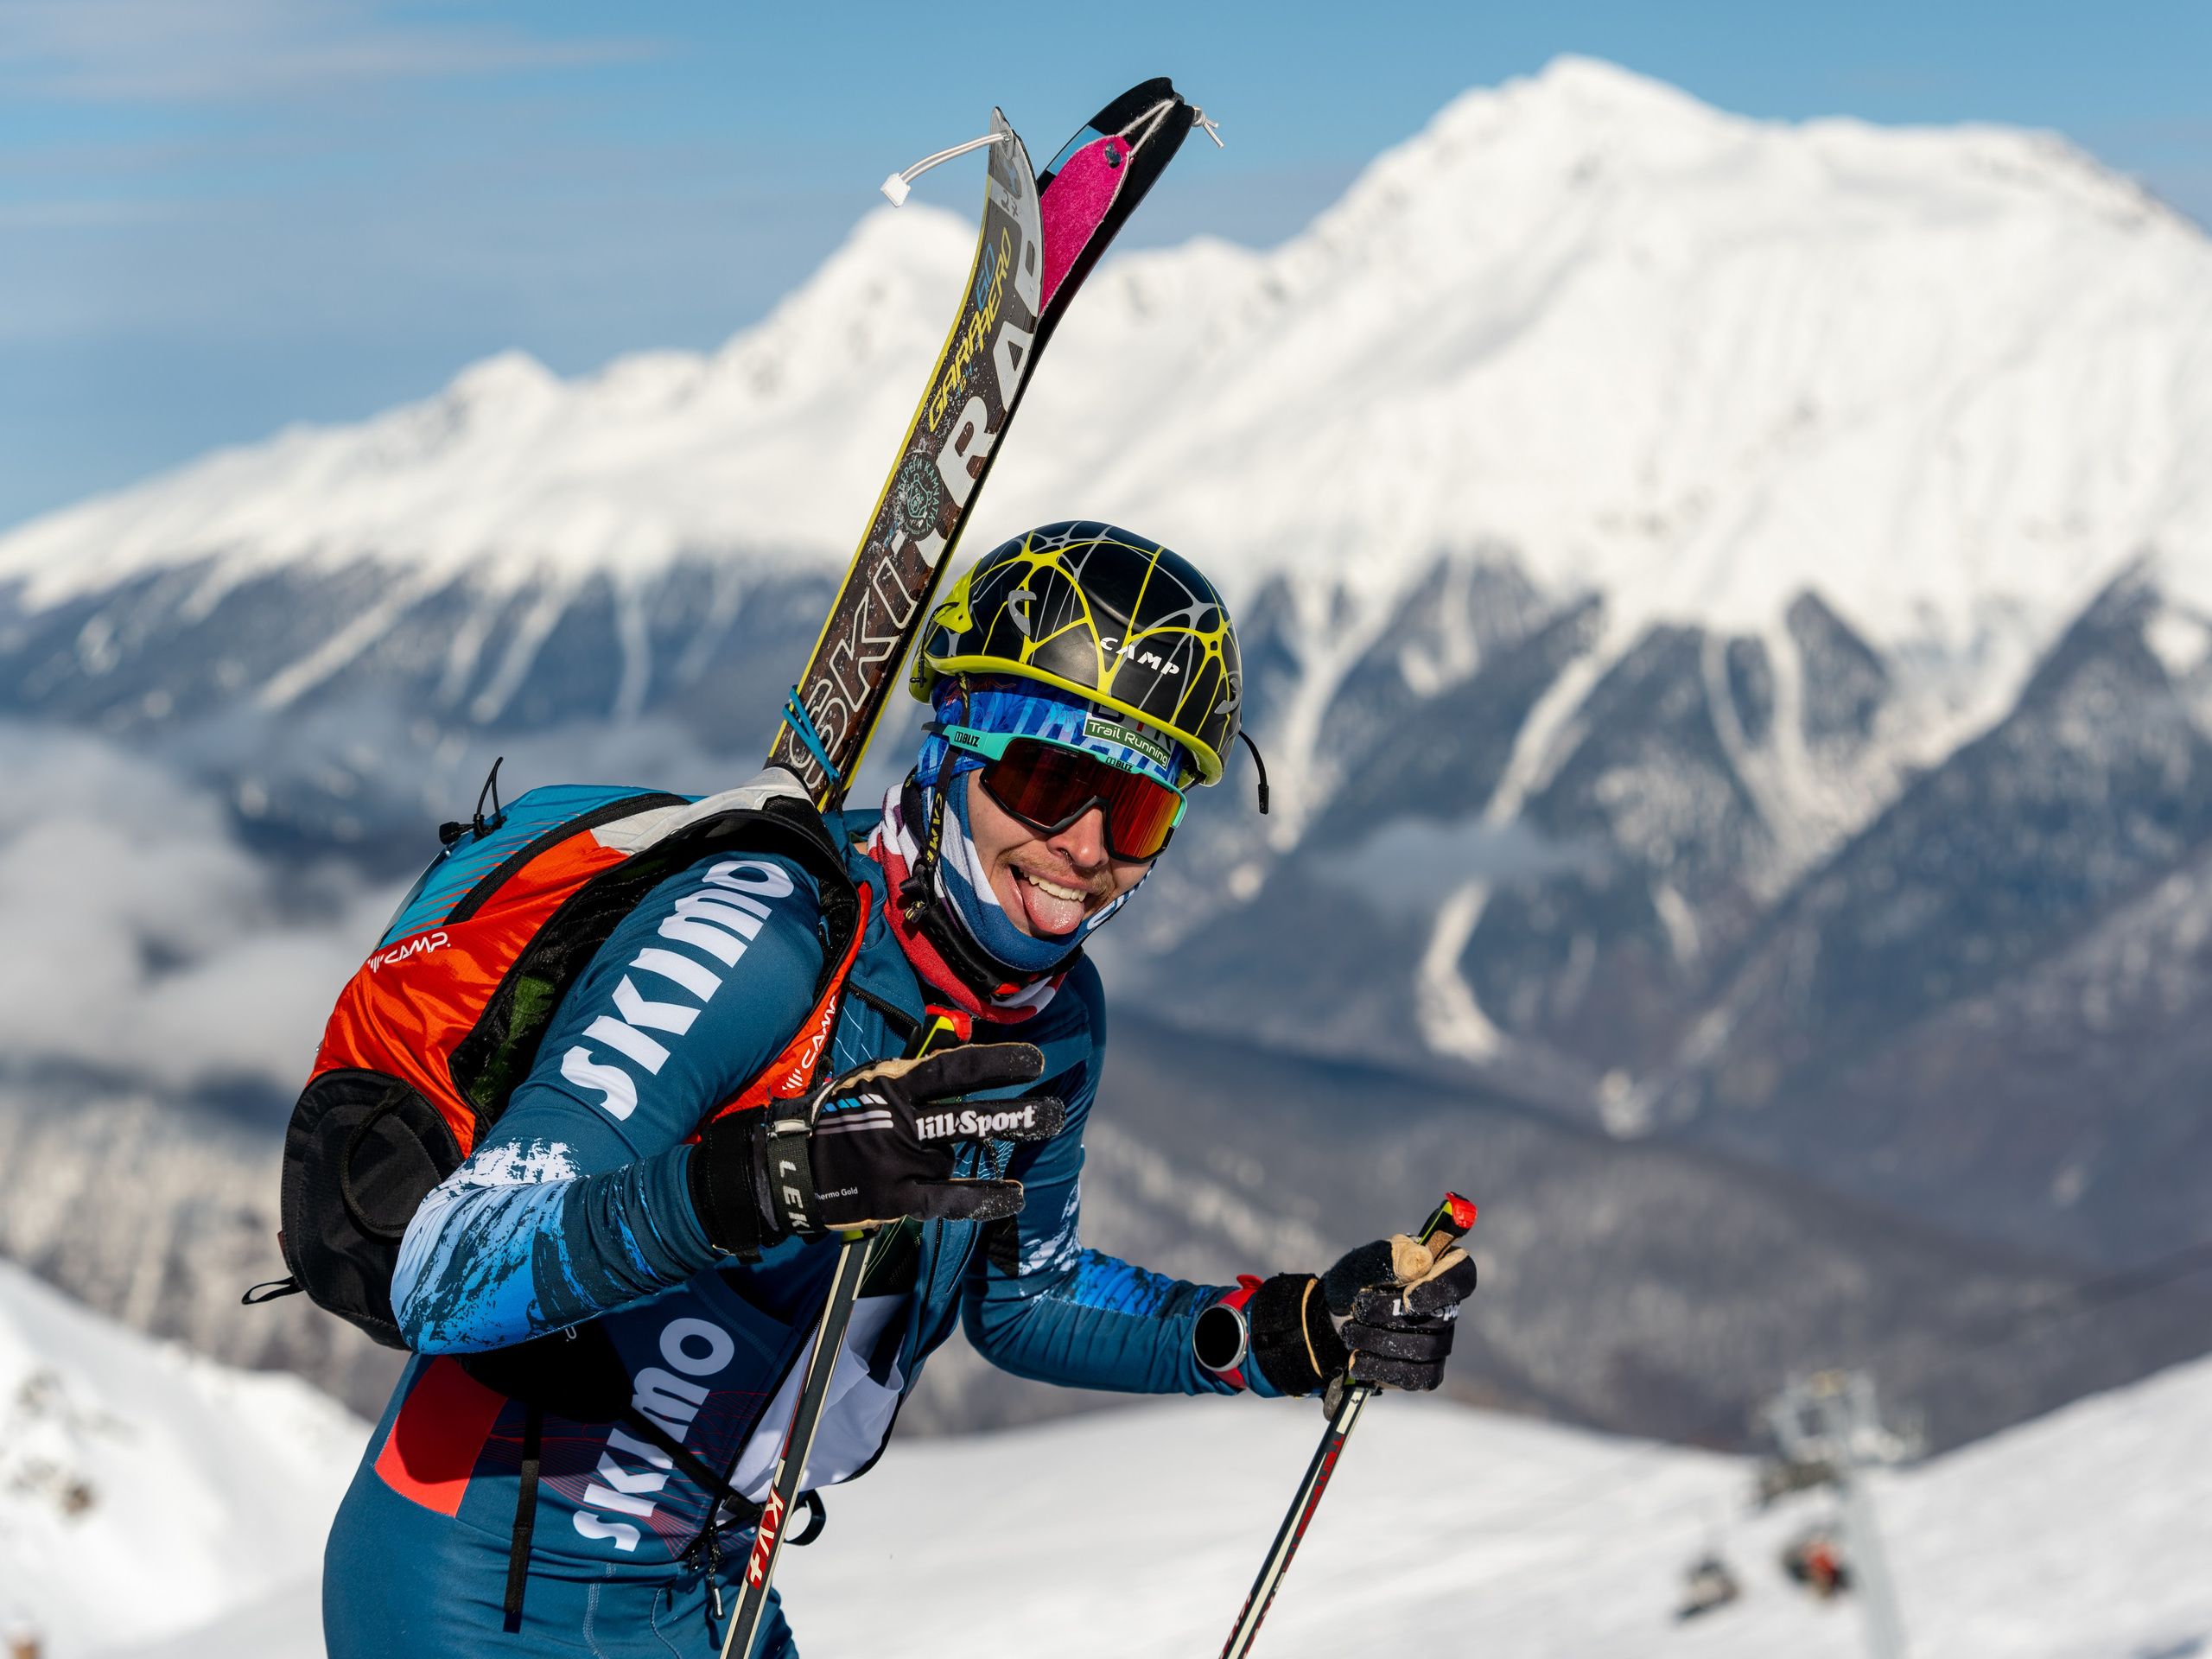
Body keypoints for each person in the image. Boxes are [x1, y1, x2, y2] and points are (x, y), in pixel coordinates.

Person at [324, 522, 1479, 1659]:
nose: (1084, 849)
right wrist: (779, 1178)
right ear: (952, 747)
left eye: (1136, 815)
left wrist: (1283, 1334)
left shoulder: (1056, 1021)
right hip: (475, 1594)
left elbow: (1024, 1297)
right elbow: (447, 1266)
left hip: (708, 1587)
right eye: (1047, 780)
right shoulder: (757, 938)